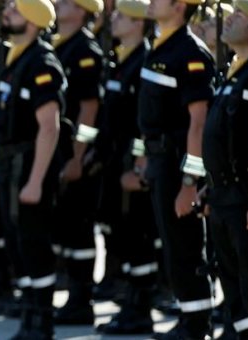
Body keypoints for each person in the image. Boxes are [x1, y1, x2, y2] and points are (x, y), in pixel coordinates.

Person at [0, 0, 66, 337]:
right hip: (10, 167)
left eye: (16, 11)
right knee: (20, 244)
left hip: (28, 168)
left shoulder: (41, 62)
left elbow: (49, 127)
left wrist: (35, 181)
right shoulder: (15, 59)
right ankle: (31, 316)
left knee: (34, 244)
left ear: (33, 22)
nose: (6, 15)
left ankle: (41, 321)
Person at [138, 0, 216, 337]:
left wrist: (189, 182)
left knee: (186, 247)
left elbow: (197, 125)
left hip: (177, 164)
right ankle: (187, 318)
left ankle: (198, 325)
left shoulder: (189, 52)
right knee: (172, 246)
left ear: (179, 5)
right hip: (159, 162)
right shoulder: (161, 45)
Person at [202, 0, 248, 338]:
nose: (229, 18)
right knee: (236, 291)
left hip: (247, 196)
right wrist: (208, 188)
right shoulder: (236, 69)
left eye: (240, 15)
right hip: (224, 195)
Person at [93, 0, 158, 334]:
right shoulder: (121, 60)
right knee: (122, 236)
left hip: (133, 167)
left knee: (138, 237)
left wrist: (140, 165)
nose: (113, 20)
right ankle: (129, 302)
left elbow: (144, 123)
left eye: (121, 16)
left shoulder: (145, 61)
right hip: (114, 164)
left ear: (137, 24)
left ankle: (141, 307)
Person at [51, 0, 104, 325]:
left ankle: (82, 299)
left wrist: (78, 154)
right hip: (60, 152)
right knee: (66, 229)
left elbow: (89, 109)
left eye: (68, 1)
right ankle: (73, 295)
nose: (58, 3)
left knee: (80, 230)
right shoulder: (59, 44)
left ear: (83, 10)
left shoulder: (85, 49)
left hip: (76, 157)